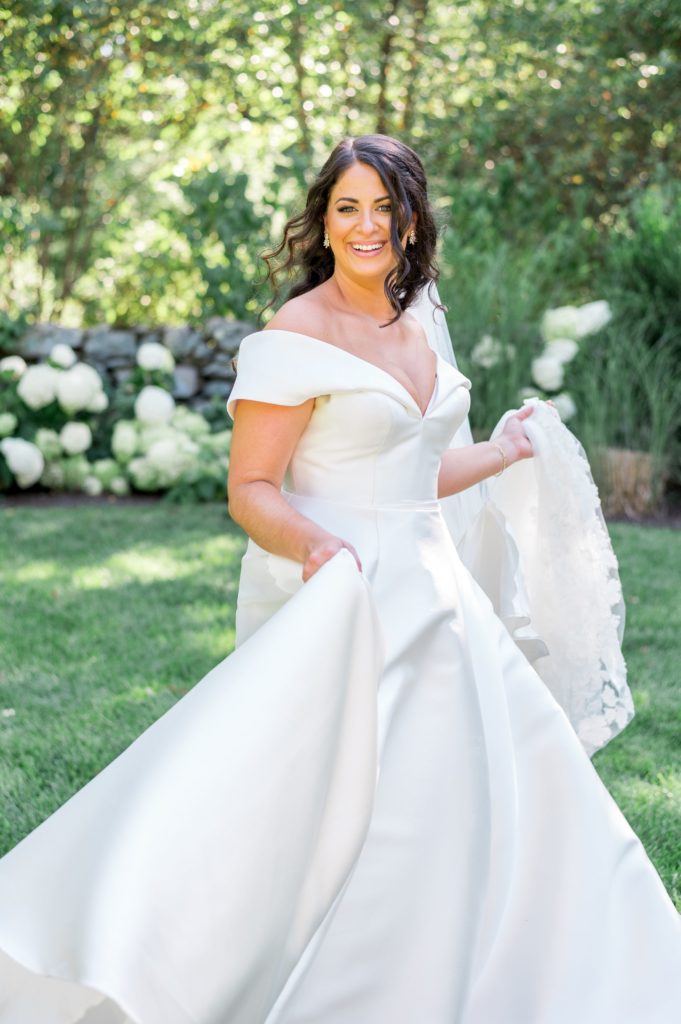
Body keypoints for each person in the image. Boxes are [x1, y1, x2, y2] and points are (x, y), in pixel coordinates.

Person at [0, 134, 679, 1023]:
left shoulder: (416, 322)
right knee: (360, 809)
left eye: (383, 207)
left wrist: (502, 450)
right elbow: (251, 490)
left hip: (442, 602)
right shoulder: (295, 333)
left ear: (410, 220)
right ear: (322, 222)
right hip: (352, 592)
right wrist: (318, 550)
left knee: (493, 797)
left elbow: (411, 472)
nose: (366, 225)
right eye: (346, 207)